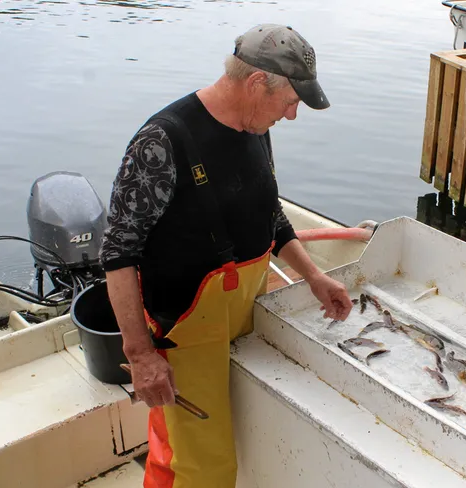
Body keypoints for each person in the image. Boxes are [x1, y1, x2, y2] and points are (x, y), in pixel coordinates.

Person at [98, 23, 353, 488]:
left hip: (244, 308)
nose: (292, 116)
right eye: (291, 102)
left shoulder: (256, 126)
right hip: (186, 333)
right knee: (196, 465)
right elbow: (117, 253)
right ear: (257, 83)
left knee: (239, 435)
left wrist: (314, 276)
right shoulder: (161, 142)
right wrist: (140, 356)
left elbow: (270, 216)